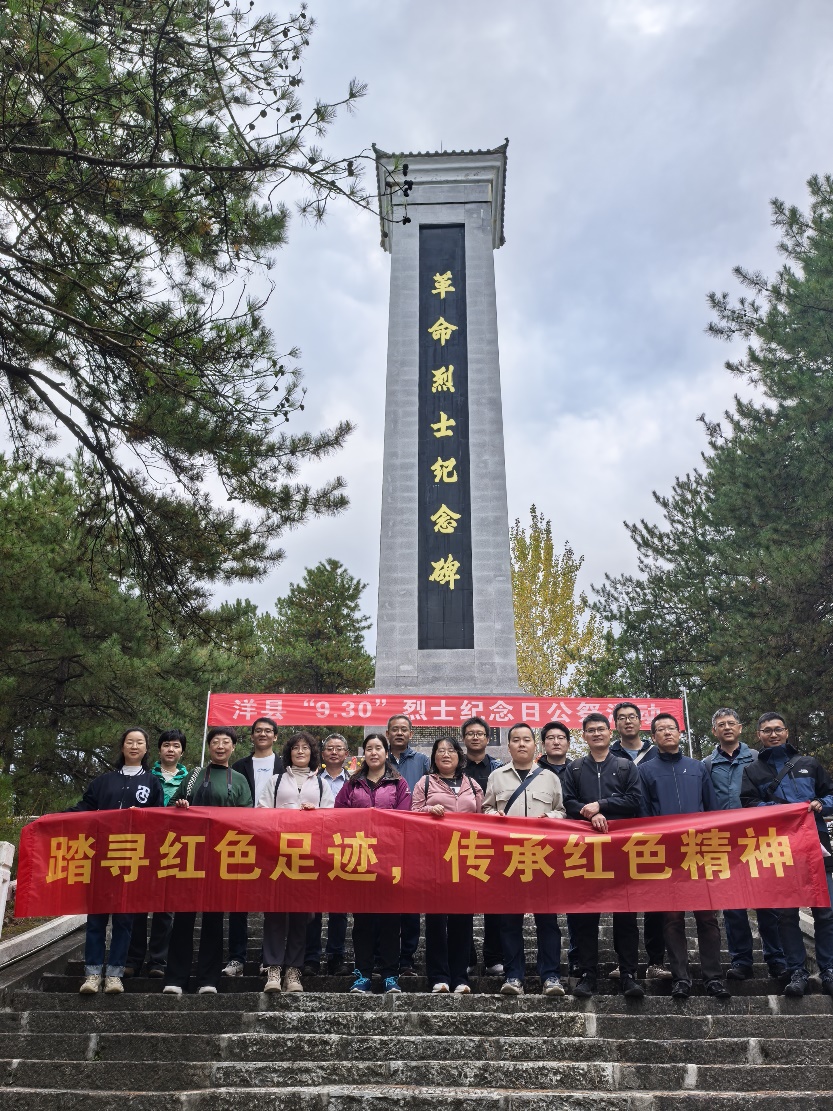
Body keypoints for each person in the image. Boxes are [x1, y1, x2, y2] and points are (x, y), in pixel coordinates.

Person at [740, 712, 833, 1000]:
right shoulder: (753, 770)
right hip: (778, 851)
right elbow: (748, 805)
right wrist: (779, 811)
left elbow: (831, 795)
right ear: (758, 735)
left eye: (778, 729)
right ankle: (797, 972)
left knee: (825, 911)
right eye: (767, 730)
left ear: (787, 731)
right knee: (787, 914)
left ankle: (828, 969)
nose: (773, 734)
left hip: (816, 846)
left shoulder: (809, 764)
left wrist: (820, 804)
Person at [639, 713, 730, 1001]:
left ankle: (713, 978)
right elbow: (644, 814)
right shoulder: (645, 770)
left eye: (672, 728)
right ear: (653, 737)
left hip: (699, 852)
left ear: (681, 733)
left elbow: (712, 809)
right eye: (661, 729)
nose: (667, 733)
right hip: (667, 855)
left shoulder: (697, 767)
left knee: (707, 918)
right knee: (672, 919)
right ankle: (681, 978)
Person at [69, 728, 165, 994]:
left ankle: (114, 974)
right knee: (96, 918)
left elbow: (160, 820)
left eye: (139, 742)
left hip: (132, 860)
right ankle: (92, 974)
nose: (134, 746)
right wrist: (55, 818)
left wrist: (142, 817)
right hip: (101, 857)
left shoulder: (152, 783)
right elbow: (84, 808)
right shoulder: (104, 781)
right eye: (129, 742)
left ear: (146, 749)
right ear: (122, 747)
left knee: (124, 920)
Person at [162, 727, 252, 996]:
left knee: (214, 918)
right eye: (215, 742)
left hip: (222, 856)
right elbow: (172, 808)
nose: (220, 746)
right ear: (209, 746)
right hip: (191, 854)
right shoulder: (193, 776)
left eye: (226, 742)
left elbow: (247, 817)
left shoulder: (239, 780)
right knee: (183, 917)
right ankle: (175, 978)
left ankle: (208, 980)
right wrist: (180, 805)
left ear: (233, 748)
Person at [562, 712, 645, 1000]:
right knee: (586, 916)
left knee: (626, 915)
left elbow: (635, 800)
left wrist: (602, 805)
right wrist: (589, 813)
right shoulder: (574, 768)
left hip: (621, 851)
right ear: (584, 735)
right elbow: (568, 802)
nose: (597, 734)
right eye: (591, 730)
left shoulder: (625, 766)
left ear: (610, 733)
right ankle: (587, 974)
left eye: (601, 729)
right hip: (585, 852)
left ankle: (629, 974)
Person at [483, 722, 566, 997]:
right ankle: (514, 976)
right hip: (509, 859)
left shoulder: (550, 777)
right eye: (516, 740)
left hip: (543, 859)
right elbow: (486, 809)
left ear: (535, 745)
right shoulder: (496, 777)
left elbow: (562, 811)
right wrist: (495, 816)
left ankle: (551, 976)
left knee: (547, 921)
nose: (521, 744)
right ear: (508, 746)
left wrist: (551, 817)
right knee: (509, 921)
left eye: (526, 739)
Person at [703, 708, 786, 981]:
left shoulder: (758, 758)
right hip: (724, 842)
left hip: (758, 839)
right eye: (721, 724)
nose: (727, 727)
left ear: (740, 728)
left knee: (767, 903)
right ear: (714, 731)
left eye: (731, 723)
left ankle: (777, 959)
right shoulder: (706, 764)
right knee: (733, 906)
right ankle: (741, 961)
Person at [257, 731, 334, 993]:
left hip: (308, 858)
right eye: (295, 748)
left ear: (313, 753)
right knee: (275, 912)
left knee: (302, 915)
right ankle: (273, 968)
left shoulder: (322, 784)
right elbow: (262, 813)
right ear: (288, 753)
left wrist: (317, 813)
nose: (300, 751)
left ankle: (293, 971)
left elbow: (332, 818)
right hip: (277, 855)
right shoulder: (276, 780)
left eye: (305, 748)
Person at [334, 733, 411, 994]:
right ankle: (363, 974)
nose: (374, 752)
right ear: (363, 754)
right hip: (360, 859)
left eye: (378, 748)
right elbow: (338, 816)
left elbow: (404, 817)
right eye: (369, 748)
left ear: (386, 753)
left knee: (391, 919)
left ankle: (390, 974)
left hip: (390, 859)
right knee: (363, 920)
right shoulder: (352, 784)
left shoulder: (399, 783)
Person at [411, 735, 484, 994]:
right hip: (435, 858)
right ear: (433, 757)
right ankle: (438, 976)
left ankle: (460, 976)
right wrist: (428, 812)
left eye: (451, 750)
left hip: (466, 858)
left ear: (459, 756)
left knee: (462, 919)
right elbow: (412, 815)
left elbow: (483, 818)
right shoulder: (425, 783)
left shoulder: (472, 785)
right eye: (440, 750)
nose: (445, 754)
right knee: (436, 919)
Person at [608, 703, 669, 982]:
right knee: (624, 904)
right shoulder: (609, 756)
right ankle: (626, 963)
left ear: (640, 721)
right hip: (620, 836)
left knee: (657, 902)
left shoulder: (658, 752)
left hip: (654, 835)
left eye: (632, 717)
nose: (627, 721)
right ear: (615, 724)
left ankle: (656, 961)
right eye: (621, 718)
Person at [125, 728, 188, 978]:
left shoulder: (190, 780)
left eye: (176, 746)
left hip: (175, 847)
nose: (171, 750)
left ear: (182, 752)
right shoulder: (145, 776)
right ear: (158, 749)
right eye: (166, 745)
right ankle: (133, 959)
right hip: (143, 846)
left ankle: (158, 961)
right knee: (137, 904)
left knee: (166, 906)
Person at [224, 717, 284, 977]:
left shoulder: (284, 765)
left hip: (276, 837)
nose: (263, 734)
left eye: (268, 731)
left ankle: (267, 958)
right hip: (243, 836)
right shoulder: (239, 766)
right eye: (258, 731)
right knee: (239, 898)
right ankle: (236, 958)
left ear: (275, 737)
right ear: (251, 736)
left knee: (272, 899)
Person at [386, 714, 429, 976]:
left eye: (404, 729)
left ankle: (407, 959)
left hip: (415, 838)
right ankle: (383, 955)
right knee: (384, 899)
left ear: (411, 734)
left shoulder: (423, 761)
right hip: (383, 840)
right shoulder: (379, 757)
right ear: (387, 733)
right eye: (395, 729)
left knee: (411, 900)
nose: (399, 733)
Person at [461, 716, 504, 977]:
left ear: (488, 738)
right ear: (463, 738)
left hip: (493, 842)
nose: (475, 737)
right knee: (463, 902)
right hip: (462, 842)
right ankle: (466, 956)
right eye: (470, 733)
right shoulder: (456, 768)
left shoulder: (499, 769)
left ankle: (493, 958)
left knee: (494, 902)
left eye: (480, 733)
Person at [304, 733, 351, 976]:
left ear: (346, 754)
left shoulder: (355, 781)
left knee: (339, 907)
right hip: (315, 846)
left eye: (339, 748)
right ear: (322, 754)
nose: (334, 752)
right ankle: (311, 957)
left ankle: (336, 957)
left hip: (343, 847)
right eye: (329, 748)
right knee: (312, 905)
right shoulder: (312, 780)